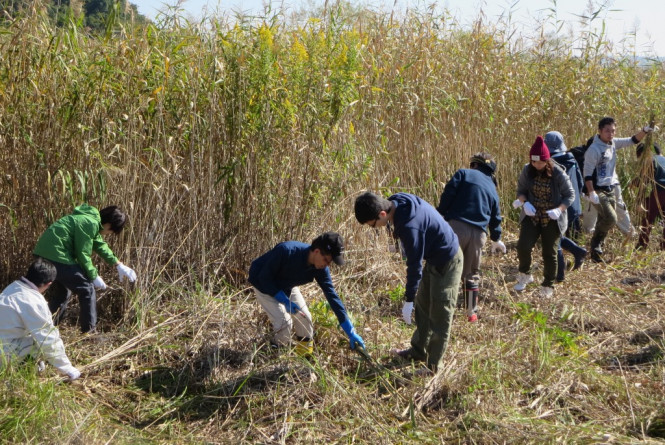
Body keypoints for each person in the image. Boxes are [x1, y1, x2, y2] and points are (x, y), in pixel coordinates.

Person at [354, 192, 462, 371]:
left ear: (382, 214)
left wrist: (408, 298)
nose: (376, 228)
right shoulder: (396, 201)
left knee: (440, 313)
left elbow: (414, 265)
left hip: (448, 259)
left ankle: (434, 366)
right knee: (424, 305)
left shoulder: (410, 225)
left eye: (373, 225)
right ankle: (418, 350)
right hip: (434, 258)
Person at [248, 232, 364, 355]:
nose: (327, 265)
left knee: (306, 319)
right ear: (317, 251)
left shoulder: (321, 268)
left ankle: (304, 360)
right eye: (326, 260)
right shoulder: (287, 251)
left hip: (287, 284)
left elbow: (332, 296)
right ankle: (274, 357)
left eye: (329, 263)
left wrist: (350, 331)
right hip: (264, 284)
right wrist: (284, 300)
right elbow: (264, 278)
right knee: (284, 323)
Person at [33, 204, 137, 333]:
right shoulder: (90, 223)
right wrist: (93, 276)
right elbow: (83, 254)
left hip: (44, 253)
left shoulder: (88, 220)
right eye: (111, 231)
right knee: (87, 289)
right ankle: (90, 333)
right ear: (109, 224)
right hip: (57, 255)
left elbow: (100, 245)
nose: (109, 234)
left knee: (63, 292)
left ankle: (46, 328)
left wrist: (118, 264)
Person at [436, 152, 505, 323]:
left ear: (474, 164)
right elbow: (496, 216)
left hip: (456, 229)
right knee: (471, 274)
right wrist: (496, 238)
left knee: (447, 269)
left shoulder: (463, 173)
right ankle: (471, 313)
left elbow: (448, 195)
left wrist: (440, 215)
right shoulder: (492, 187)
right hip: (479, 234)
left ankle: (443, 311)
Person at [584, 117, 655, 262]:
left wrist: (645, 131)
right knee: (611, 218)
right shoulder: (594, 149)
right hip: (598, 189)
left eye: (613, 131)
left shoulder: (613, 143)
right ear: (600, 131)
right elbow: (587, 173)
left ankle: (596, 250)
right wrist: (591, 192)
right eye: (607, 131)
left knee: (604, 218)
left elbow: (633, 140)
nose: (610, 134)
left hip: (611, 187)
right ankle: (595, 242)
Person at [513, 136, 574, 298]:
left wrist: (559, 210)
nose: (537, 166)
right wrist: (523, 202)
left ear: (547, 161)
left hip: (551, 218)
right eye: (534, 162)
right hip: (532, 215)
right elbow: (521, 191)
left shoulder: (557, 173)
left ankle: (548, 285)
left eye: (540, 162)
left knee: (549, 252)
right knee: (523, 246)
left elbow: (570, 195)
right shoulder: (527, 170)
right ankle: (525, 274)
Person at [0, 258, 81, 380]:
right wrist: (67, 368)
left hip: (4, 342)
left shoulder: (13, 287)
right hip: (4, 354)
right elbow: (47, 338)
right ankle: (30, 370)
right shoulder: (33, 301)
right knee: (38, 343)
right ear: (49, 283)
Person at [543, 131, 588, 280]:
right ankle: (577, 252)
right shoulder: (572, 159)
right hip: (573, 206)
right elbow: (580, 183)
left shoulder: (551, 164)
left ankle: (559, 273)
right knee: (558, 237)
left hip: (559, 207)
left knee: (553, 238)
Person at [634, 142, 665, 250]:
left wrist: (639, 199)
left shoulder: (651, 161)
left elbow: (643, 181)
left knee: (648, 218)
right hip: (661, 190)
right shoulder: (663, 159)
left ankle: (641, 245)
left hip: (660, 191)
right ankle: (663, 247)